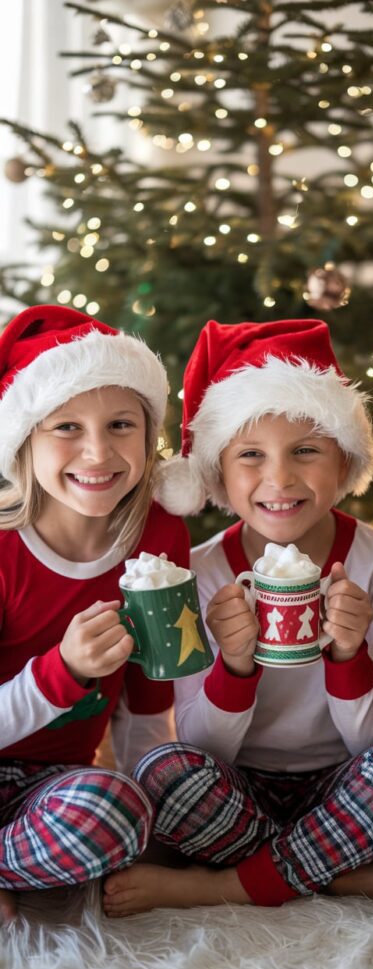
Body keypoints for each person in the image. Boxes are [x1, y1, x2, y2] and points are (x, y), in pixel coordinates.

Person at [103, 318, 373, 916]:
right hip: (241, 787)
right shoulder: (202, 570)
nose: (280, 478)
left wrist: (348, 659)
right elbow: (204, 744)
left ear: (344, 464)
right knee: (164, 768)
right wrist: (235, 666)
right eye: (251, 456)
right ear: (216, 473)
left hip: (343, 784)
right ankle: (344, 875)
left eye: (306, 451)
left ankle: (224, 886)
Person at [0, 304, 190, 923]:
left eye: (119, 425)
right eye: (66, 428)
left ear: (147, 434)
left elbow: (148, 696)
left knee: (120, 808)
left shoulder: (158, 535)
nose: (97, 452)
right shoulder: (4, 552)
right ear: (25, 439)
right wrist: (63, 671)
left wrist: (151, 802)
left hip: (56, 788)